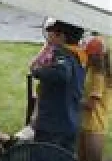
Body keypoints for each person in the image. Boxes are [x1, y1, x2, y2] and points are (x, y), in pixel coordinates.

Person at [30, 20, 86, 149]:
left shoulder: (62, 54)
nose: (49, 35)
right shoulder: (79, 55)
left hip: (54, 123)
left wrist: (38, 71)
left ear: (62, 37)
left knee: (47, 157)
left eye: (53, 33)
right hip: (70, 120)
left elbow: (62, 73)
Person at [78, 36, 111, 161]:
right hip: (85, 123)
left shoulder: (99, 76)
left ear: (96, 57)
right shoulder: (92, 70)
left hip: (94, 125)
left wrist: (73, 100)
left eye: (89, 55)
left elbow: (91, 104)